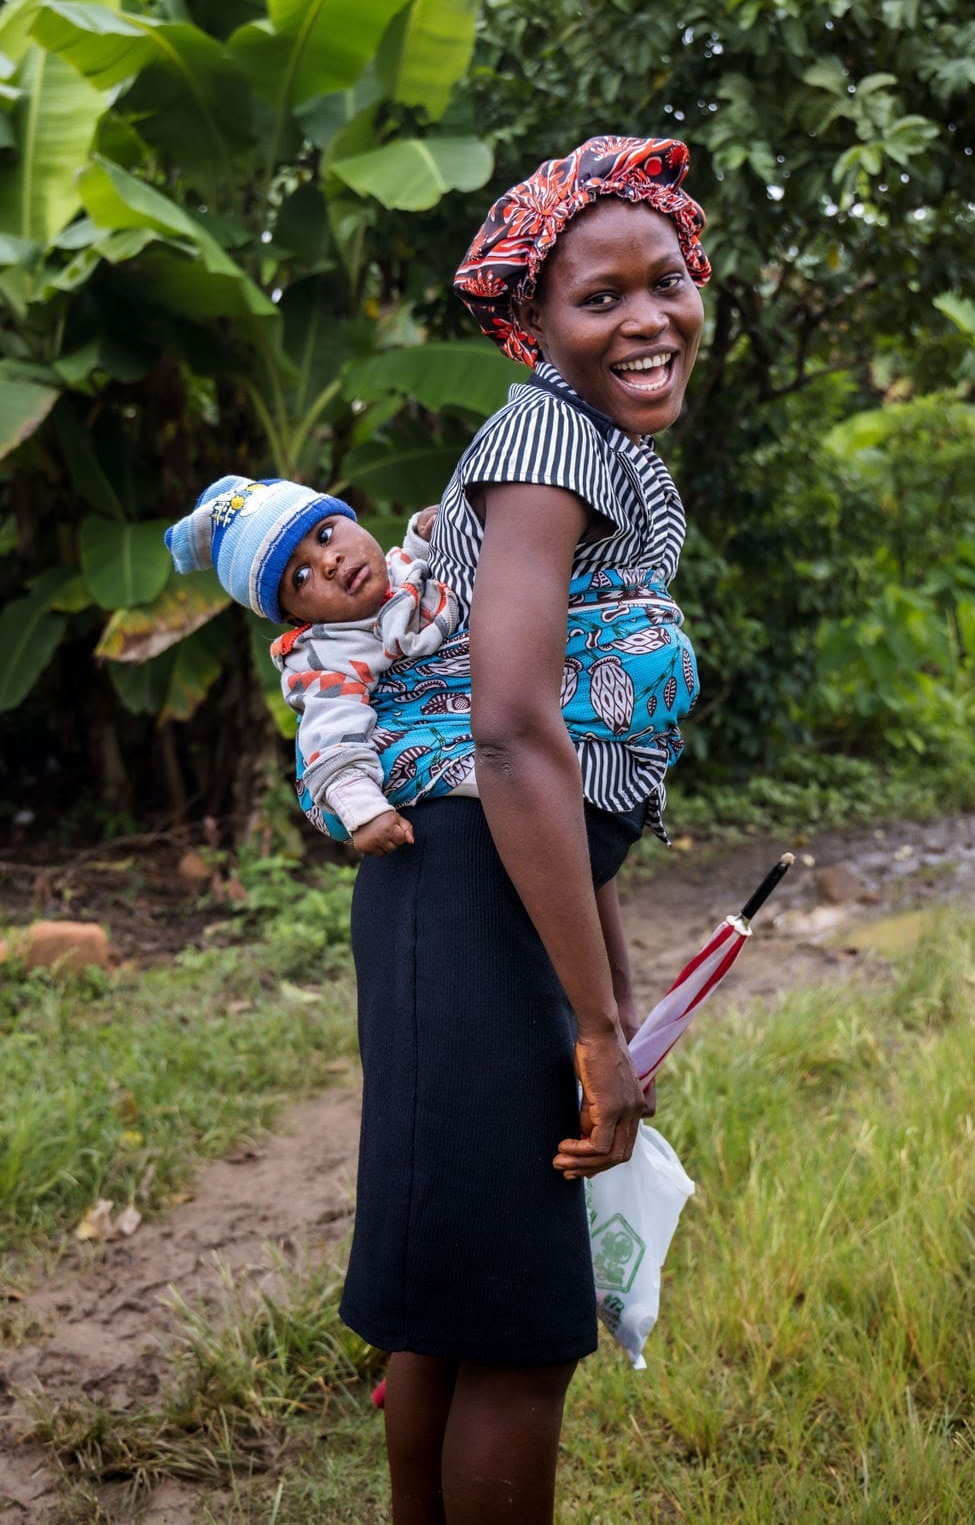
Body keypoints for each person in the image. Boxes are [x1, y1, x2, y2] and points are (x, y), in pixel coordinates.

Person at [338, 135, 711, 1524]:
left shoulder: (589, 440)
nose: (645, 318)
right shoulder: (551, 433)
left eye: (663, 280)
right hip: (470, 898)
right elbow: (510, 724)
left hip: (479, 903)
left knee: (450, 1311)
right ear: (535, 321)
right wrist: (597, 1033)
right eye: (597, 297)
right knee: (513, 1332)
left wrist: (604, 992)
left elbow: (571, 769)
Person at [163, 477, 459, 855]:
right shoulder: (328, 659)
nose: (328, 561)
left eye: (325, 535)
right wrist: (366, 814)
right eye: (300, 577)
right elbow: (332, 740)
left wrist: (427, 534)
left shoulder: (396, 569)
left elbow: (416, 566)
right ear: (295, 618)